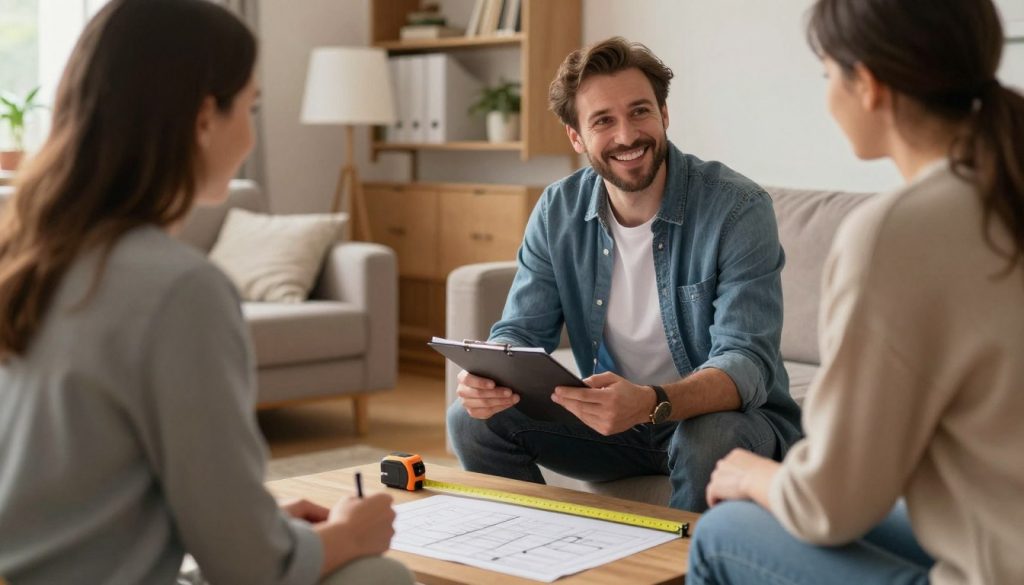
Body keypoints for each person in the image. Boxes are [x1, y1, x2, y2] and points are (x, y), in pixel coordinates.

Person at [0, 2, 413, 584]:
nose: (249, 131)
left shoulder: (30, 255)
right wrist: (348, 536)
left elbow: (92, 482)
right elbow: (250, 569)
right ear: (202, 119)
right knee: (377, 576)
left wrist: (259, 520)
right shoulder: (179, 289)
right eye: (250, 106)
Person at [688, 0, 1024, 583]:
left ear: (866, 83)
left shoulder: (898, 232)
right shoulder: (1005, 185)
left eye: (826, 75)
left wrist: (754, 477)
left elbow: (829, 505)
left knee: (721, 531)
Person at [446, 37, 802, 513]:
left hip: (724, 422)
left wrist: (652, 400)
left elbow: (746, 362)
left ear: (664, 114)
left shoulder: (737, 208)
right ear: (576, 137)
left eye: (639, 112)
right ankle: (538, 553)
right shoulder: (558, 209)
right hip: (615, 425)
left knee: (708, 435)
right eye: (603, 121)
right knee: (470, 421)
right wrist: (488, 374)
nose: (627, 135)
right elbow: (521, 331)